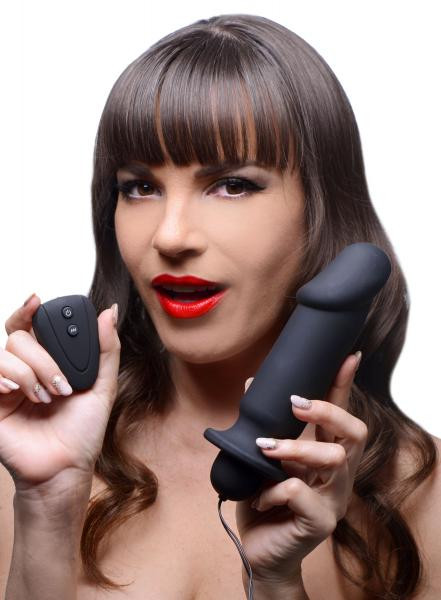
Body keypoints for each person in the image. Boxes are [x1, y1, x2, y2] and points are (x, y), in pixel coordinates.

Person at [1, 13, 440, 600]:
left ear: (320, 212)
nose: (170, 235)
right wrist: (47, 506)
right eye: (139, 186)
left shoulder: (422, 491)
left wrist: (279, 583)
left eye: (232, 184)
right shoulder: (27, 460)